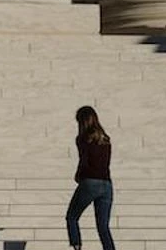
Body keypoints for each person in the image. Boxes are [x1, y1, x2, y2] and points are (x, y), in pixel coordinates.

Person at [66, 106, 115, 250]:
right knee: (103, 227)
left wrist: (78, 175)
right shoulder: (106, 139)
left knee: (72, 217)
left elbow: (84, 160)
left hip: (90, 182)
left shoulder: (82, 138)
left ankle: (77, 246)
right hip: (107, 185)